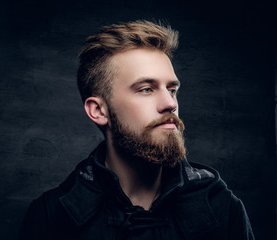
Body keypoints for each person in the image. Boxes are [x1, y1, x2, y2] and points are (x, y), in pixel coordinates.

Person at [19, 20, 254, 240]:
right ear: (98, 111)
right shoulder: (51, 217)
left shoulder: (222, 207)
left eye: (172, 90)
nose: (170, 104)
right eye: (146, 89)